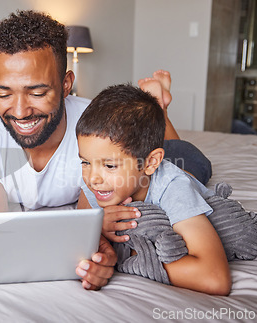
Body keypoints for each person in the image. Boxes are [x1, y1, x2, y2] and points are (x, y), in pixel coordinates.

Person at [0, 10, 212, 290]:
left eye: (37, 93)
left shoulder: (93, 129)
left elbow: (106, 207)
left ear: (66, 85)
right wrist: (100, 248)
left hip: (172, 156)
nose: (19, 111)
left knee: (183, 168)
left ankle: (160, 109)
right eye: (3, 93)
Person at [76, 83, 231, 295]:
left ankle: (162, 108)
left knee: (180, 149)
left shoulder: (174, 187)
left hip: (188, 161)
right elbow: (78, 232)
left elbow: (215, 279)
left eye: (109, 165)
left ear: (151, 163)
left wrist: (131, 256)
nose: (92, 179)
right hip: (151, 156)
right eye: (84, 162)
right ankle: (159, 108)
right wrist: (98, 230)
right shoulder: (97, 180)